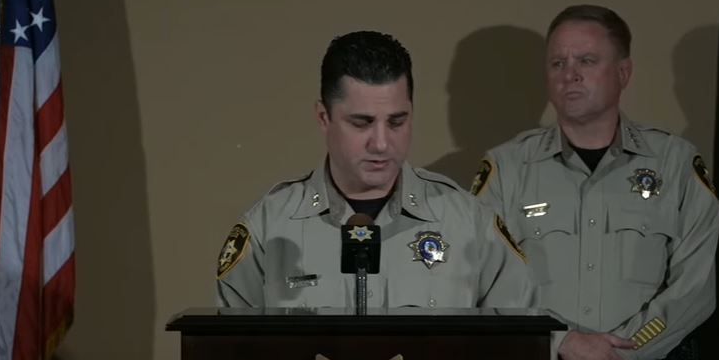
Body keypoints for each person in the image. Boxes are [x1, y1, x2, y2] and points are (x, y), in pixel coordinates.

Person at [472, 4, 719, 360]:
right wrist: (562, 344)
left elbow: (696, 289)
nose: (570, 74)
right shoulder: (507, 170)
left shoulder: (676, 165)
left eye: (587, 59)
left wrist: (615, 356)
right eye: (558, 63)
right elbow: (480, 281)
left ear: (624, 73)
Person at [216, 30, 534, 310]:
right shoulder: (268, 228)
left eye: (397, 121)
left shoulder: (468, 223)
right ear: (323, 117)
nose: (381, 143)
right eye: (362, 122)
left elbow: (520, 349)